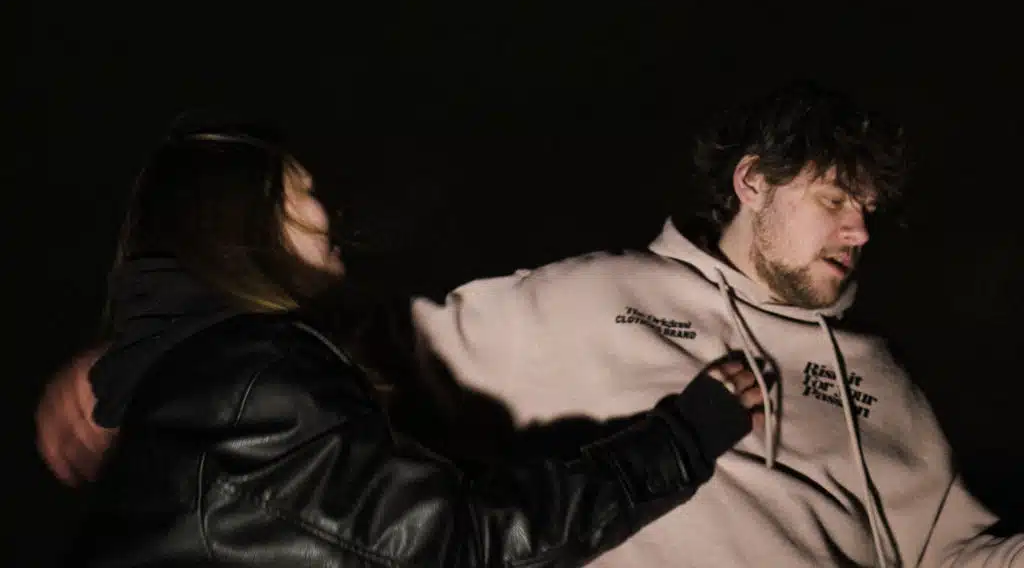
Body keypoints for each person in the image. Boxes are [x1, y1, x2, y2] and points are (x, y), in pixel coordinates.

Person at [41, 82, 1024, 565]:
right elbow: (369, 359)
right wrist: (139, 363)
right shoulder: (596, 293)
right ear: (751, 185)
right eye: (836, 198)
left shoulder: (882, 377)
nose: (860, 228)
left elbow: (960, 555)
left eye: (869, 209)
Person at [40, 116, 764, 567]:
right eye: (304, 188)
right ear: (248, 222)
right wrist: (679, 442)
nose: (328, 210)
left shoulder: (187, 391)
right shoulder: (256, 379)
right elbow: (461, 543)